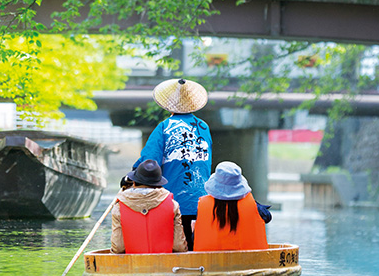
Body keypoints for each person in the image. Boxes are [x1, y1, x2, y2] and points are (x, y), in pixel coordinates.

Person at [132, 78, 212, 250]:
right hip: (202, 201)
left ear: (169, 106)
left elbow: (149, 161)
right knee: (195, 246)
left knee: (175, 246)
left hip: (173, 201)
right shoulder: (204, 127)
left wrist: (132, 173)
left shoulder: (165, 127)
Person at [110, 159, 188, 254]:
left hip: (133, 264)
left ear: (134, 183)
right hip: (165, 263)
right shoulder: (173, 205)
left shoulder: (119, 208)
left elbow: (118, 248)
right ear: (159, 184)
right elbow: (179, 246)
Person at [193, 161, 269, 251]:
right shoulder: (253, 205)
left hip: (208, 260)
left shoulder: (202, 205)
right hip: (248, 259)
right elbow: (267, 217)